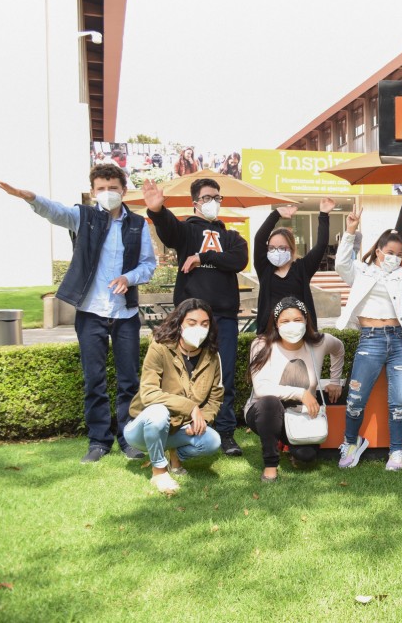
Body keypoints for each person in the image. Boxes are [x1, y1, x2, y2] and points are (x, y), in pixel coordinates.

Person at [0, 165, 157, 463]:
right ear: (93, 192)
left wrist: (129, 278)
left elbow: (149, 264)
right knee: (93, 379)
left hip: (125, 314)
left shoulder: (138, 224)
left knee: (129, 381)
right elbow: (55, 211)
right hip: (91, 312)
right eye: (100, 188)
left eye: (112, 187)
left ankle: (129, 439)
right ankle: (98, 441)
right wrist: (30, 198)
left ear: (123, 190)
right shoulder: (82, 217)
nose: (107, 193)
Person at [141, 175, 249, 456]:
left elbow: (239, 260)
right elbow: (169, 231)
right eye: (206, 198)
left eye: (217, 197)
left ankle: (225, 432)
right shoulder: (187, 232)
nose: (213, 202)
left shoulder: (231, 236)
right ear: (195, 203)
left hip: (223, 316)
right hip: (189, 317)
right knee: (183, 374)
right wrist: (157, 211)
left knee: (223, 375)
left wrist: (204, 257)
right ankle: (178, 425)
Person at [334, 207, 402, 471]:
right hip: (370, 340)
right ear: (378, 251)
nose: (395, 258)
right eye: (390, 253)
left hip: (399, 341)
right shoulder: (361, 272)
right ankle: (351, 442)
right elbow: (341, 264)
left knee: (398, 401)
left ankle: (396, 452)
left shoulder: (401, 275)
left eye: (399, 255)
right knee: (356, 398)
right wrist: (350, 231)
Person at [125, 299, 223, 493]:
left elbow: (215, 398)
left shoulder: (212, 355)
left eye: (205, 324)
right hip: (144, 428)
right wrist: (191, 407)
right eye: (192, 323)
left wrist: (201, 420)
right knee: (158, 413)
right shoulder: (160, 347)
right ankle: (159, 471)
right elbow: (149, 393)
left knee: (213, 441)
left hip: (181, 428)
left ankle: (175, 456)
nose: (199, 328)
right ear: (180, 323)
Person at [244, 297, 344, 482]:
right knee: (270, 404)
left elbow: (339, 349)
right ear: (276, 323)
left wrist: (335, 380)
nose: (292, 325)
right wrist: (300, 393)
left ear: (306, 320)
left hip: (302, 415)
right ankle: (270, 465)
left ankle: (285, 442)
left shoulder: (319, 343)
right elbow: (261, 389)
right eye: (285, 321)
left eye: (297, 320)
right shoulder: (261, 345)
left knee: (306, 455)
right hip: (264, 411)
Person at [253, 198, 335, 334]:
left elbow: (321, 245)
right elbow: (259, 239)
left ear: (291, 249)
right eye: (272, 248)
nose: (276, 251)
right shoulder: (264, 269)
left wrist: (324, 214)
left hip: (299, 331)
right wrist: (276, 214)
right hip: (270, 333)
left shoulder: (303, 268)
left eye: (281, 247)